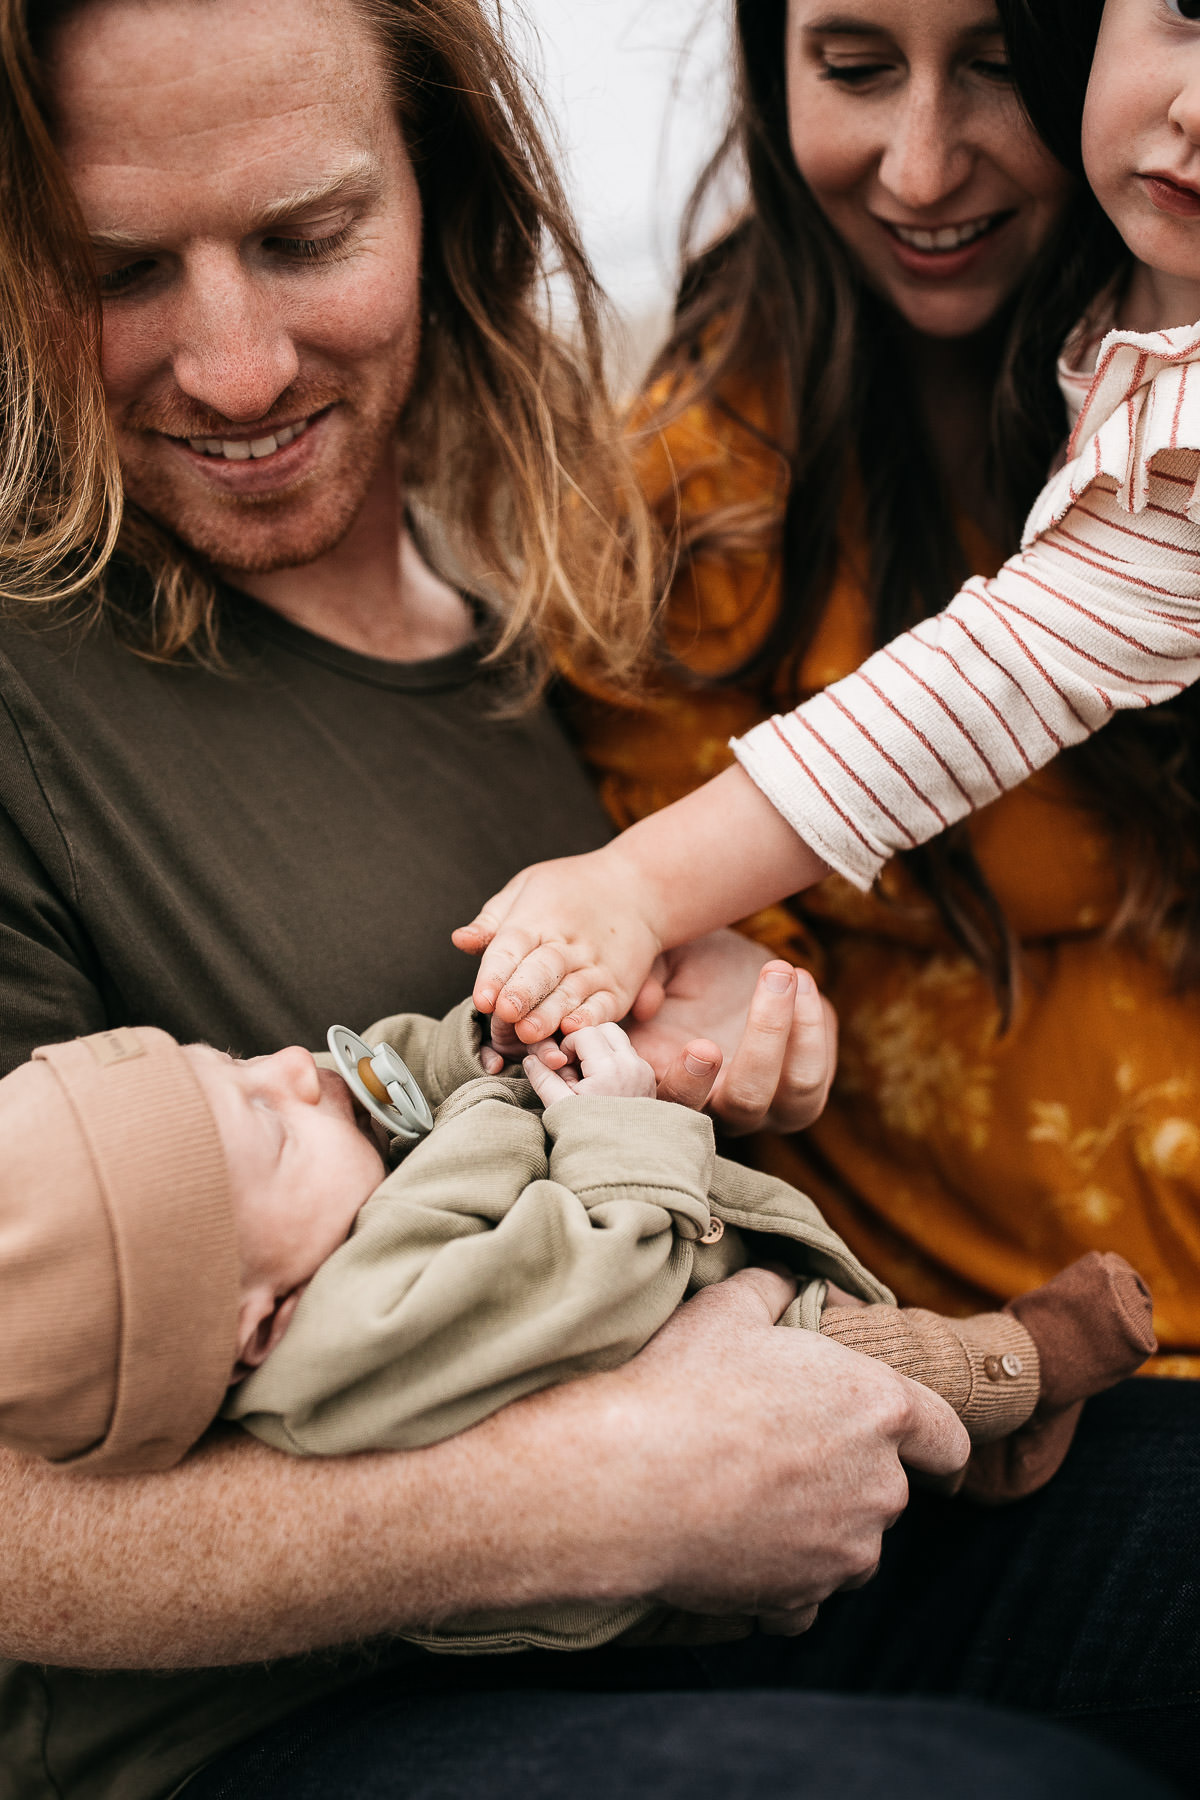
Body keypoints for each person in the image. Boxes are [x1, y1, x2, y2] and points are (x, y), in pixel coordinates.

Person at [0, 0, 1187, 1794]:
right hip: (263, 1722)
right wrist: (588, 1496)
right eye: (119, 271)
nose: (236, 371)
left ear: (442, 190)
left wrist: (729, 1024)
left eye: (308, 240)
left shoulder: (534, 607)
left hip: (731, 1560)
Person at [0, 1010, 1152, 1567]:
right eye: (264, 1122)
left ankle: (979, 1458)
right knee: (871, 1365)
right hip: (731, 1373)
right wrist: (614, 1126)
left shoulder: (336, 1237)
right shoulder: (368, 1331)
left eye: (234, 1063)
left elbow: (397, 1088)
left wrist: (477, 1050)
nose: (293, 1070)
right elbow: (595, 1276)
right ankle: (1028, 1367)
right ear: (258, 1329)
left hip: (717, 1329)